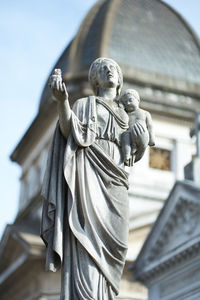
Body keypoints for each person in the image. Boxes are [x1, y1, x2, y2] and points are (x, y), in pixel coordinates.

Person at [41, 58, 132, 299]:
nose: (109, 70)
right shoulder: (84, 105)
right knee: (87, 248)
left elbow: (134, 152)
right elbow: (69, 130)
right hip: (88, 179)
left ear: (120, 80)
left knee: (116, 253)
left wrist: (142, 139)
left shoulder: (127, 114)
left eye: (114, 68)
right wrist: (62, 102)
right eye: (102, 68)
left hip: (117, 184)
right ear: (95, 80)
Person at [119, 89, 155, 166]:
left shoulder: (144, 113)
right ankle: (127, 155)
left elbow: (150, 126)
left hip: (142, 134)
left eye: (130, 100)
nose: (128, 103)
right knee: (125, 136)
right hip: (130, 137)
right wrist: (121, 107)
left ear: (137, 100)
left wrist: (152, 139)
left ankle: (134, 149)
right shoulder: (126, 114)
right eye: (125, 102)